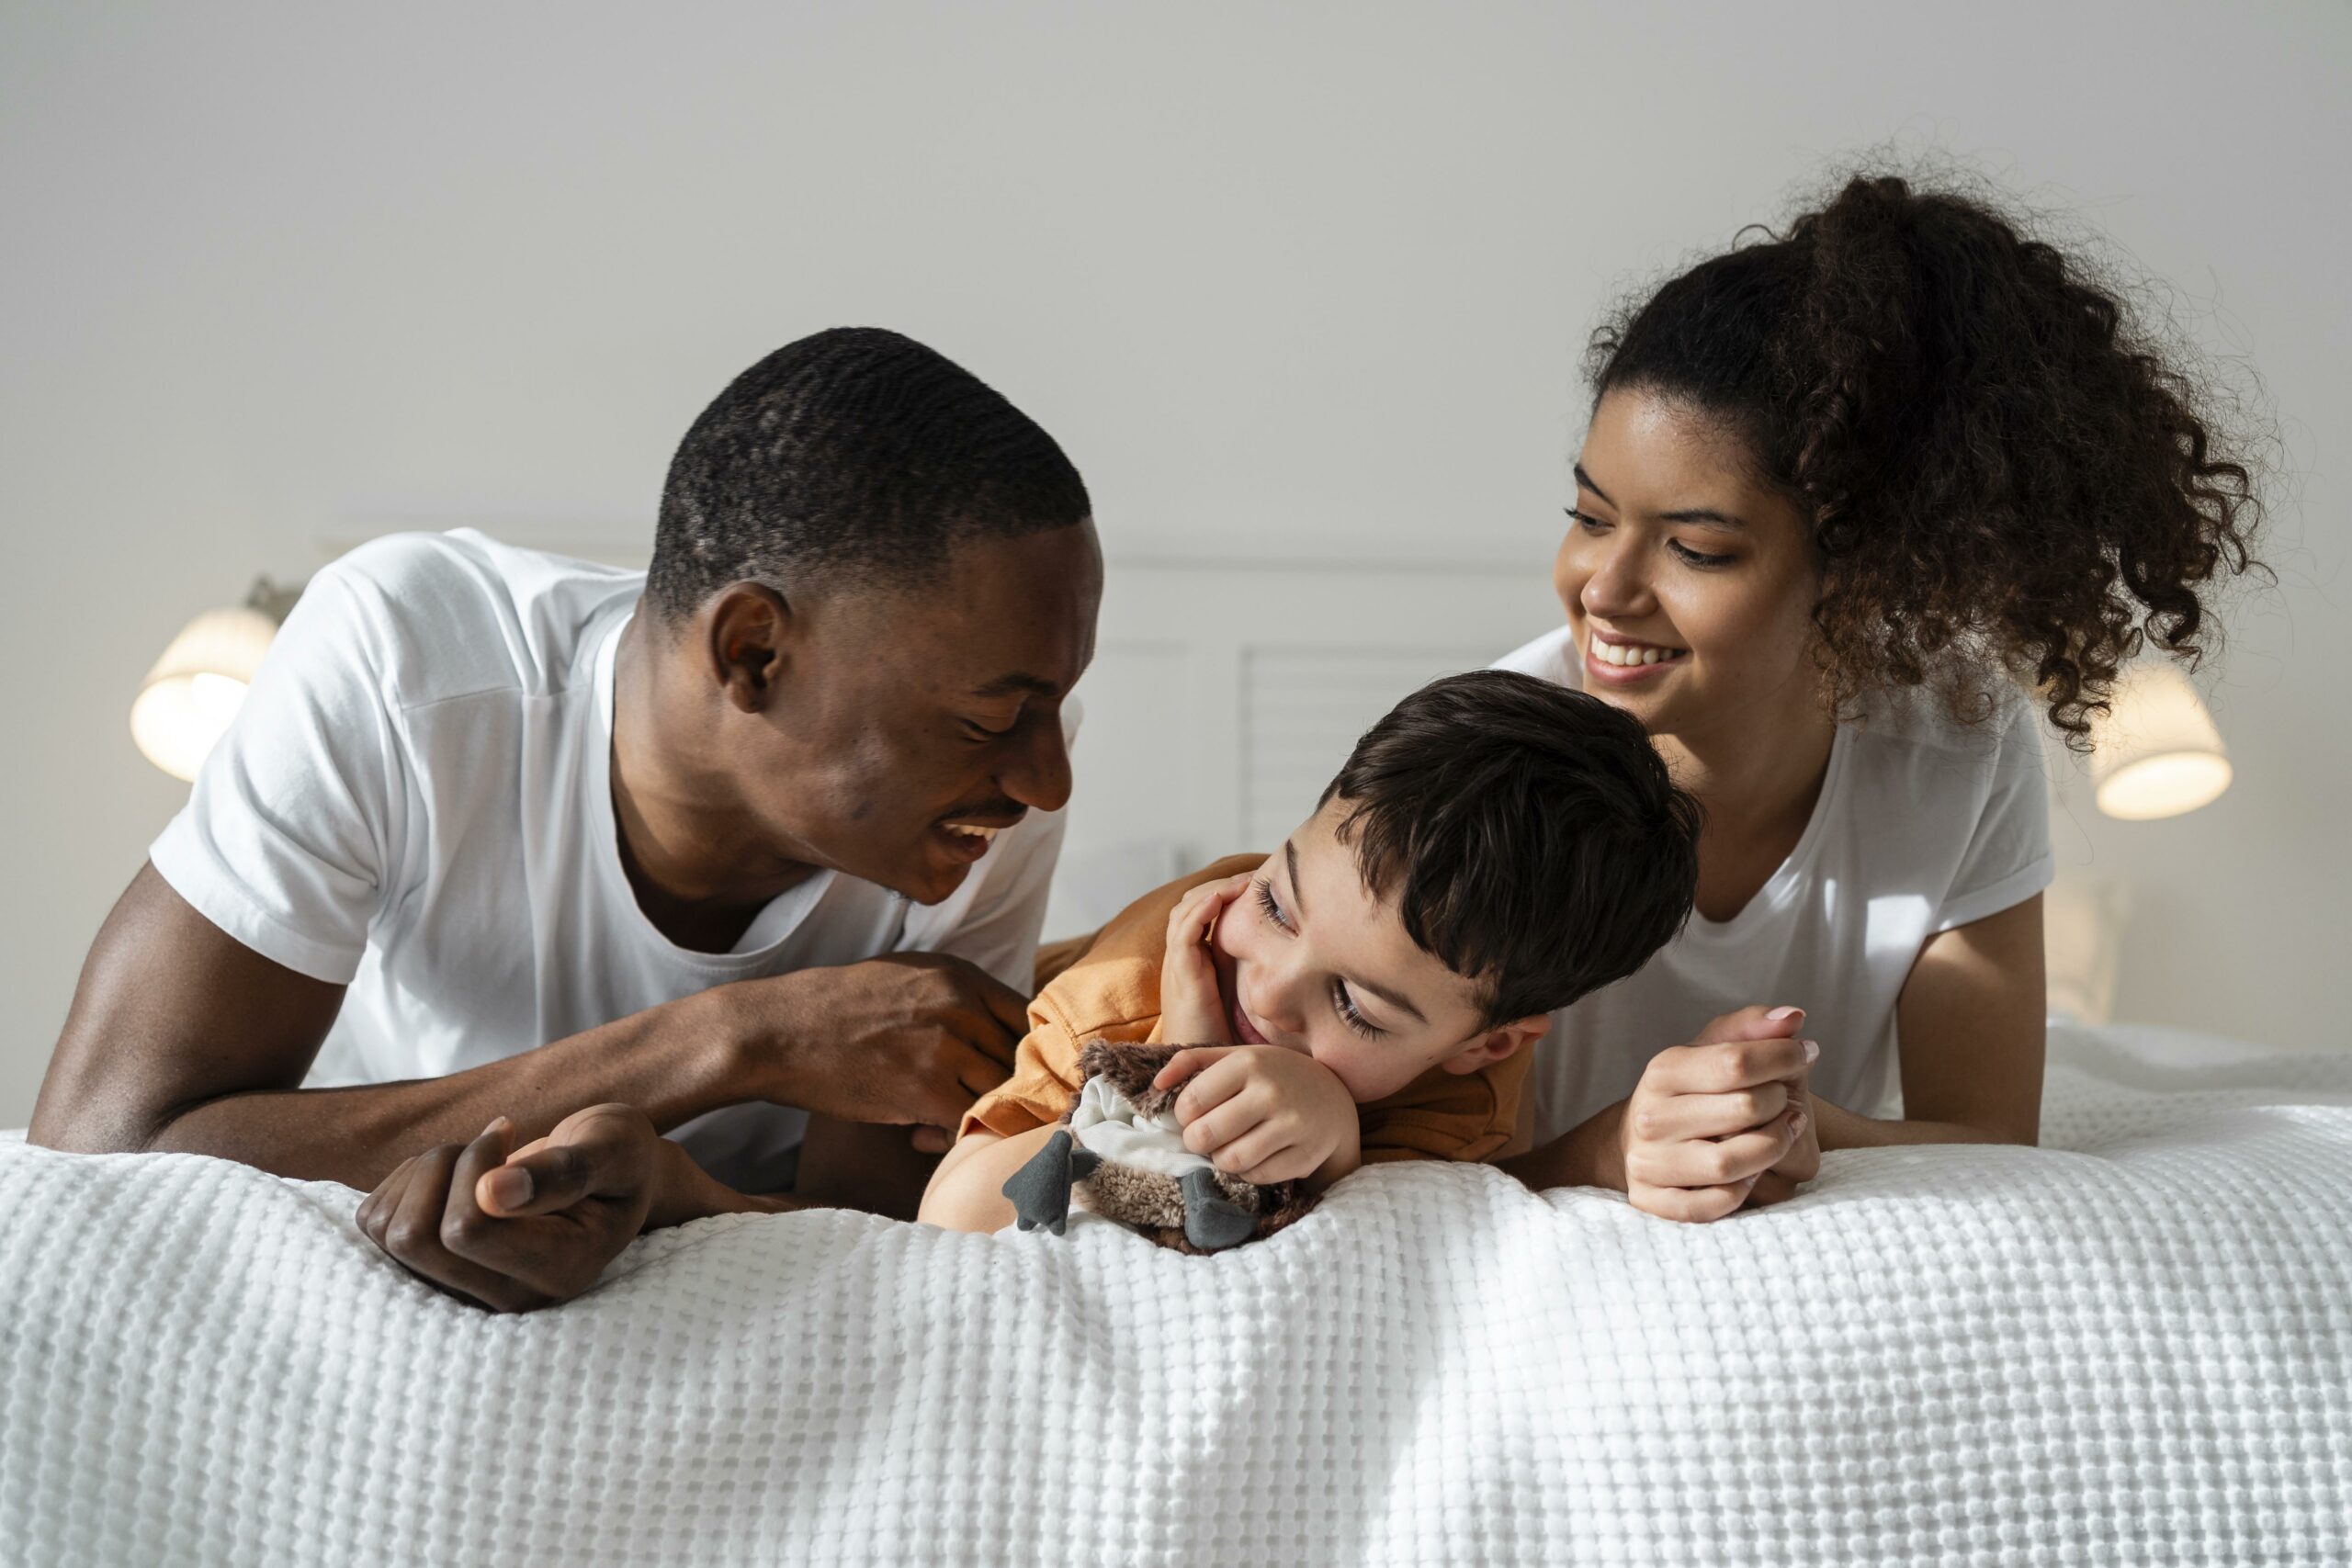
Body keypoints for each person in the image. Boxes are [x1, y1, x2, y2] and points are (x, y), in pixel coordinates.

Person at [32, 327, 1105, 1306]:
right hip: (351, 1256)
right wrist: (729, 1042)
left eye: (1054, 706)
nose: (1046, 781)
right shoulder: (409, 663)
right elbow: (95, 1151)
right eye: (994, 716)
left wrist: (676, 1196)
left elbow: (900, 1243)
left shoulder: (976, 816)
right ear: (753, 653)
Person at [1496, 172, 2266, 1222]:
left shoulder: (1958, 747)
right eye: (1588, 517)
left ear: (1863, 576)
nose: (1606, 589)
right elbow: (1387, 1162)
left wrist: (1795, 1121)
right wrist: (1609, 1145)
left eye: (1694, 548)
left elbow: (1988, 1134)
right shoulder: (1484, 756)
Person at [916, 671, 1713, 1235]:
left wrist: (1342, 1151)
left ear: (1485, 1044)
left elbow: (1415, 1241)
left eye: (1356, 1006)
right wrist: (1173, 1070)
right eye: (1275, 904)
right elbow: (952, 1212)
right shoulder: (1126, 986)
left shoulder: (1468, 1086)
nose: (1266, 992)